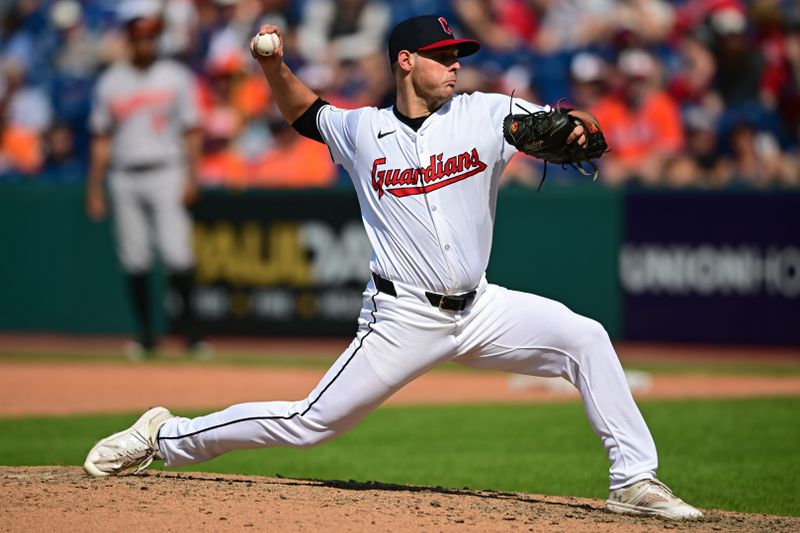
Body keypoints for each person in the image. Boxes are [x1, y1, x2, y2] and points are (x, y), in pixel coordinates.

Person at [83, 15, 702, 520]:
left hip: (480, 307)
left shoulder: (486, 112)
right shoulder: (362, 131)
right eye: (442, 55)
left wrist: (573, 130)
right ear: (405, 61)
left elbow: (567, 126)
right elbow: (305, 112)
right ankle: (164, 436)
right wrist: (273, 66)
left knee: (585, 337)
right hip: (402, 314)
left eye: (457, 54)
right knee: (309, 423)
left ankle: (633, 480)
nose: (454, 63)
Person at [84, 1, 207, 358]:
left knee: (177, 252)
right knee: (134, 257)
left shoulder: (175, 76)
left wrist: (192, 177)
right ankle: (146, 335)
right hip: (124, 174)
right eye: (139, 39)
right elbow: (101, 139)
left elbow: (192, 132)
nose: (145, 44)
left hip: (167, 169)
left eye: (150, 38)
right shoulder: (111, 82)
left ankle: (192, 333)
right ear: (129, 41)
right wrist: (94, 187)